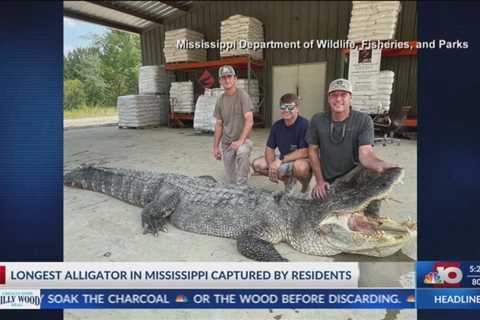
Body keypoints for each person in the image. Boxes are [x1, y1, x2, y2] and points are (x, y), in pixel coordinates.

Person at [306, 78, 398, 214]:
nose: (338, 99)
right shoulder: (317, 120)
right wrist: (319, 180)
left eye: (343, 95)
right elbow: (312, 151)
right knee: (318, 212)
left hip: (354, 176)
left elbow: (366, 153)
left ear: (350, 98)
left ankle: (371, 215)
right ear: (328, 99)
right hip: (328, 178)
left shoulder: (363, 120)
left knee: (374, 173)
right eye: (334, 95)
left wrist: (381, 164)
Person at [251, 93, 312, 193]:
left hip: (300, 160)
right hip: (284, 159)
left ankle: (305, 185)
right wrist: (271, 165)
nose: (286, 110)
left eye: (290, 107)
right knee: (257, 164)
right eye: (283, 107)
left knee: (300, 168)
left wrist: (280, 160)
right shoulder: (277, 126)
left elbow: (305, 152)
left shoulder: (305, 124)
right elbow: (269, 148)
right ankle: (287, 180)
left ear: (297, 109)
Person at [213, 65, 254, 185]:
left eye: (229, 77)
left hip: (243, 140)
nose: (226, 80)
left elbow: (249, 120)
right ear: (220, 81)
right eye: (223, 77)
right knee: (231, 181)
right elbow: (219, 124)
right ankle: (247, 169)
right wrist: (215, 147)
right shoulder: (220, 100)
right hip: (227, 143)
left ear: (235, 78)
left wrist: (240, 141)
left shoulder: (243, 96)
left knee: (242, 152)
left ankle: (243, 188)